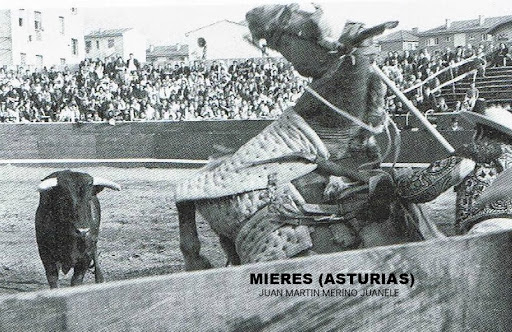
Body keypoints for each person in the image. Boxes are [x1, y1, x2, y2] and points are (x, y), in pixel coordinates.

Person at [396, 99, 512, 234]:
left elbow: (415, 190)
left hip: (487, 231)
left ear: (481, 132)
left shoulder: (473, 153)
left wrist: (402, 178)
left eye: (476, 130)